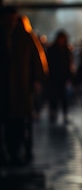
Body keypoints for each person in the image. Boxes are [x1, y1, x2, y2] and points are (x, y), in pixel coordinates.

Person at [0, 8, 48, 164]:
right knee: (9, 119)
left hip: (20, 86)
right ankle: (12, 150)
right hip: (8, 86)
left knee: (18, 120)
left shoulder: (25, 38)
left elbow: (36, 61)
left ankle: (16, 150)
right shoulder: (9, 36)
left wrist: (36, 80)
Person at [45, 29, 75, 123]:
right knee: (55, 96)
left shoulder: (65, 50)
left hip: (61, 77)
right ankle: (54, 113)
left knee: (63, 96)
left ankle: (63, 113)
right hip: (54, 76)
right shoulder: (55, 50)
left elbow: (69, 64)